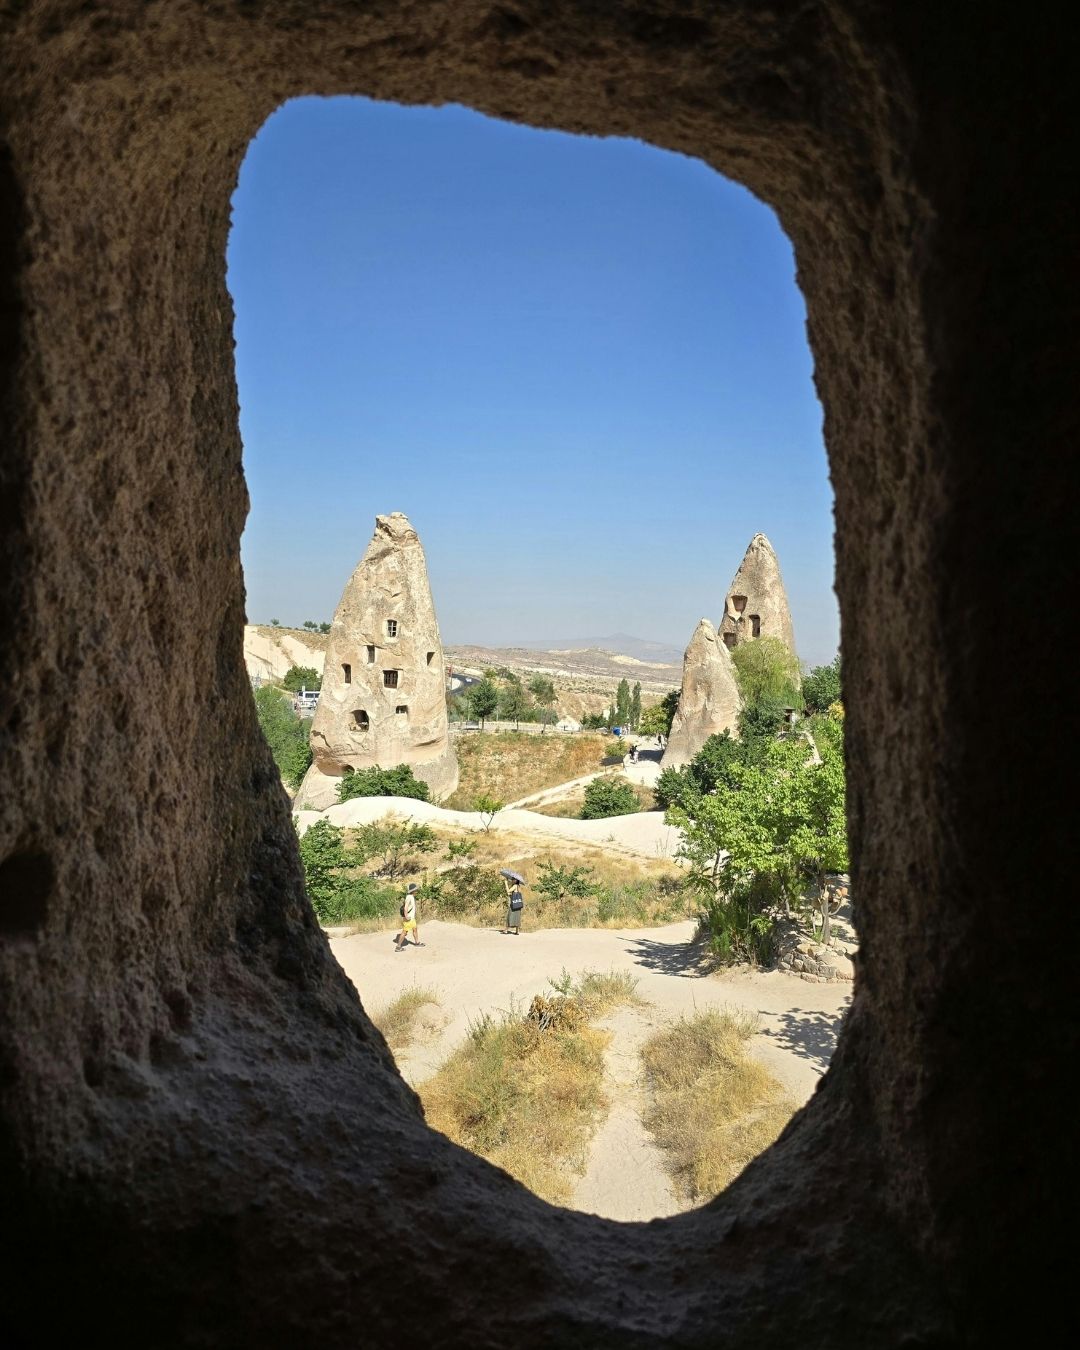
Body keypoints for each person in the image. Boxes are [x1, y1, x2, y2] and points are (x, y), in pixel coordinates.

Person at [394, 882, 422, 951]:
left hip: (412, 918)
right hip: (408, 918)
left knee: (415, 929)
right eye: (416, 890)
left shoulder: (411, 897)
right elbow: (405, 907)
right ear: (413, 891)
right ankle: (398, 947)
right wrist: (406, 916)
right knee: (405, 932)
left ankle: (417, 943)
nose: (417, 891)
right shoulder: (409, 897)